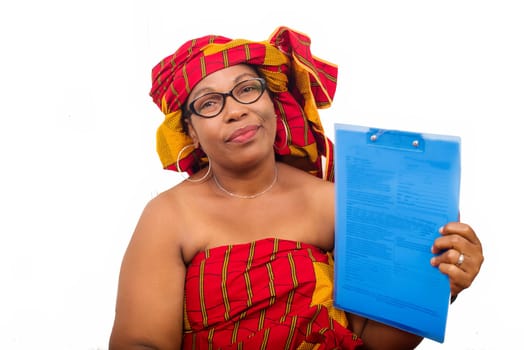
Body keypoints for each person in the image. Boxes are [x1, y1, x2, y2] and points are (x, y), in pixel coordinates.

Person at [109, 27, 484, 349]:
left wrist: (437, 283)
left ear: (273, 101)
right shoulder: (170, 215)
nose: (234, 110)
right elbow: (140, 342)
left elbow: (372, 343)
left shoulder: (334, 202)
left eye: (246, 90)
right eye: (209, 103)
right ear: (189, 130)